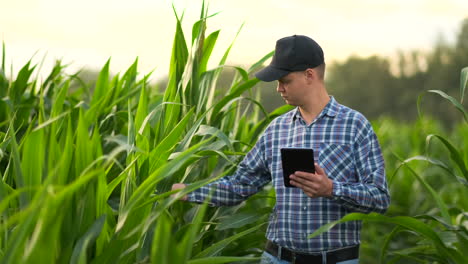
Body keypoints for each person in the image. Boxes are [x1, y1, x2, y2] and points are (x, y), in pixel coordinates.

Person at [172, 35, 390, 264]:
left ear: (309, 75)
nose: (278, 88)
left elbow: (380, 198)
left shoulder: (355, 125)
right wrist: (184, 190)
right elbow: (239, 185)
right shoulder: (276, 130)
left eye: (285, 80)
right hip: (277, 258)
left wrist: (331, 189)